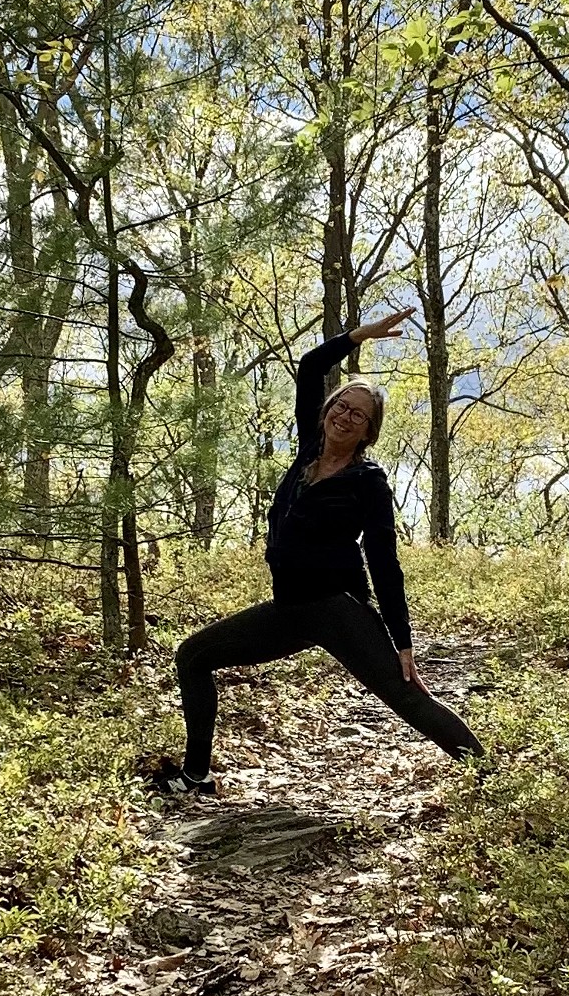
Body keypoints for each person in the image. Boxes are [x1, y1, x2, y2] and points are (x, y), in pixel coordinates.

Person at [153, 308, 484, 795]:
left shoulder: (368, 481)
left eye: (359, 415)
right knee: (194, 655)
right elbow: (310, 366)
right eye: (341, 406)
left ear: (369, 431)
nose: (345, 416)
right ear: (327, 410)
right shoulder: (309, 451)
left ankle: (492, 777)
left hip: (338, 611)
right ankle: (197, 775)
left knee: (407, 696)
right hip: (290, 610)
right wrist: (359, 336)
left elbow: (384, 560)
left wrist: (402, 639)